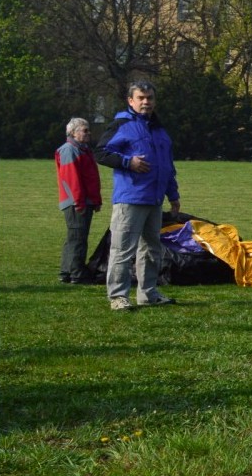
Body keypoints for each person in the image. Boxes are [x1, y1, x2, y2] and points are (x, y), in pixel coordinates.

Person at [95, 81, 180, 311]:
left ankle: (148, 293)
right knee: (123, 249)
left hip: (154, 199)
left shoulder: (159, 129)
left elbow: (167, 165)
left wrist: (173, 194)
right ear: (130, 101)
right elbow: (101, 153)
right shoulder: (122, 124)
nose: (146, 102)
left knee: (152, 249)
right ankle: (118, 296)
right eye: (141, 98)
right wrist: (127, 162)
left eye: (149, 98)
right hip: (130, 198)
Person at [55, 117, 102, 284]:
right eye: (85, 130)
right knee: (78, 238)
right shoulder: (70, 150)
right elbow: (71, 179)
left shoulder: (83, 150)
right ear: (73, 133)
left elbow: (90, 178)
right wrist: (79, 202)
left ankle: (67, 271)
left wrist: (95, 200)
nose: (88, 133)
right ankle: (77, 274)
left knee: (74, 236)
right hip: (77, 202)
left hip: (83, 201)